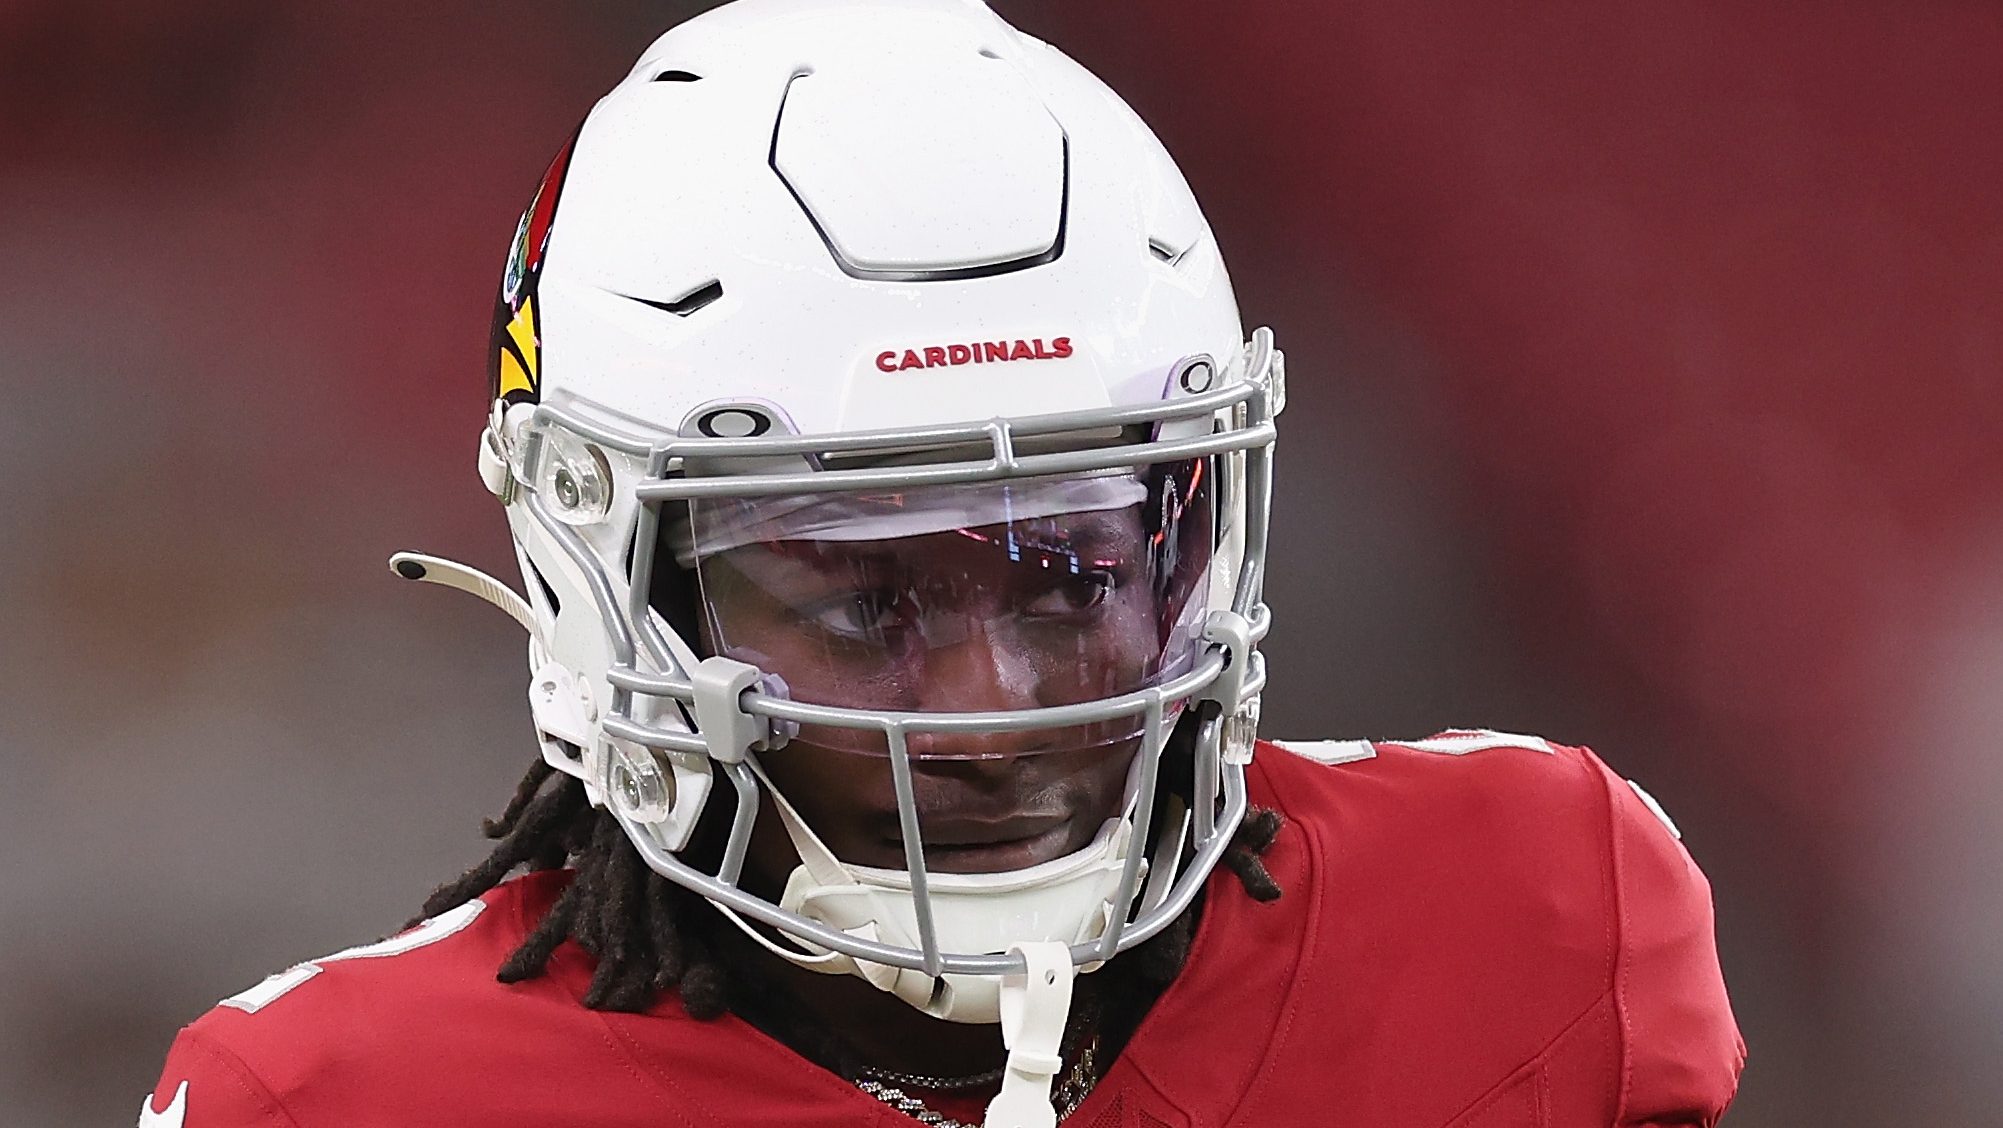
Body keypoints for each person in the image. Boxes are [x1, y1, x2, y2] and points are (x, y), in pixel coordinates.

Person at [140, 2, 1745, 1125]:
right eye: (863, 599)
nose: (990, 708)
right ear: (606, 586)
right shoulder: (345, 1102)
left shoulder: (1531, 922)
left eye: (1068, 573)